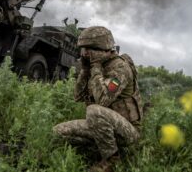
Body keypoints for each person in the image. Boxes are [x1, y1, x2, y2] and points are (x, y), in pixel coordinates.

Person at [53, 26, 143, 172]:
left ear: (104, 49)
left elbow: (102, 101)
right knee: (58, 131)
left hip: (127, 131)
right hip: (102, 126)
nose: (85, 54)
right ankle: (98, 147)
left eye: (89, 49)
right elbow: (78, 96)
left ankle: (112, 160)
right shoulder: (96, 66)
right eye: (83, 49)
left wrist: (95, 67)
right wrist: (85, 70)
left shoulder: (120, 68)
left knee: (94, 110)